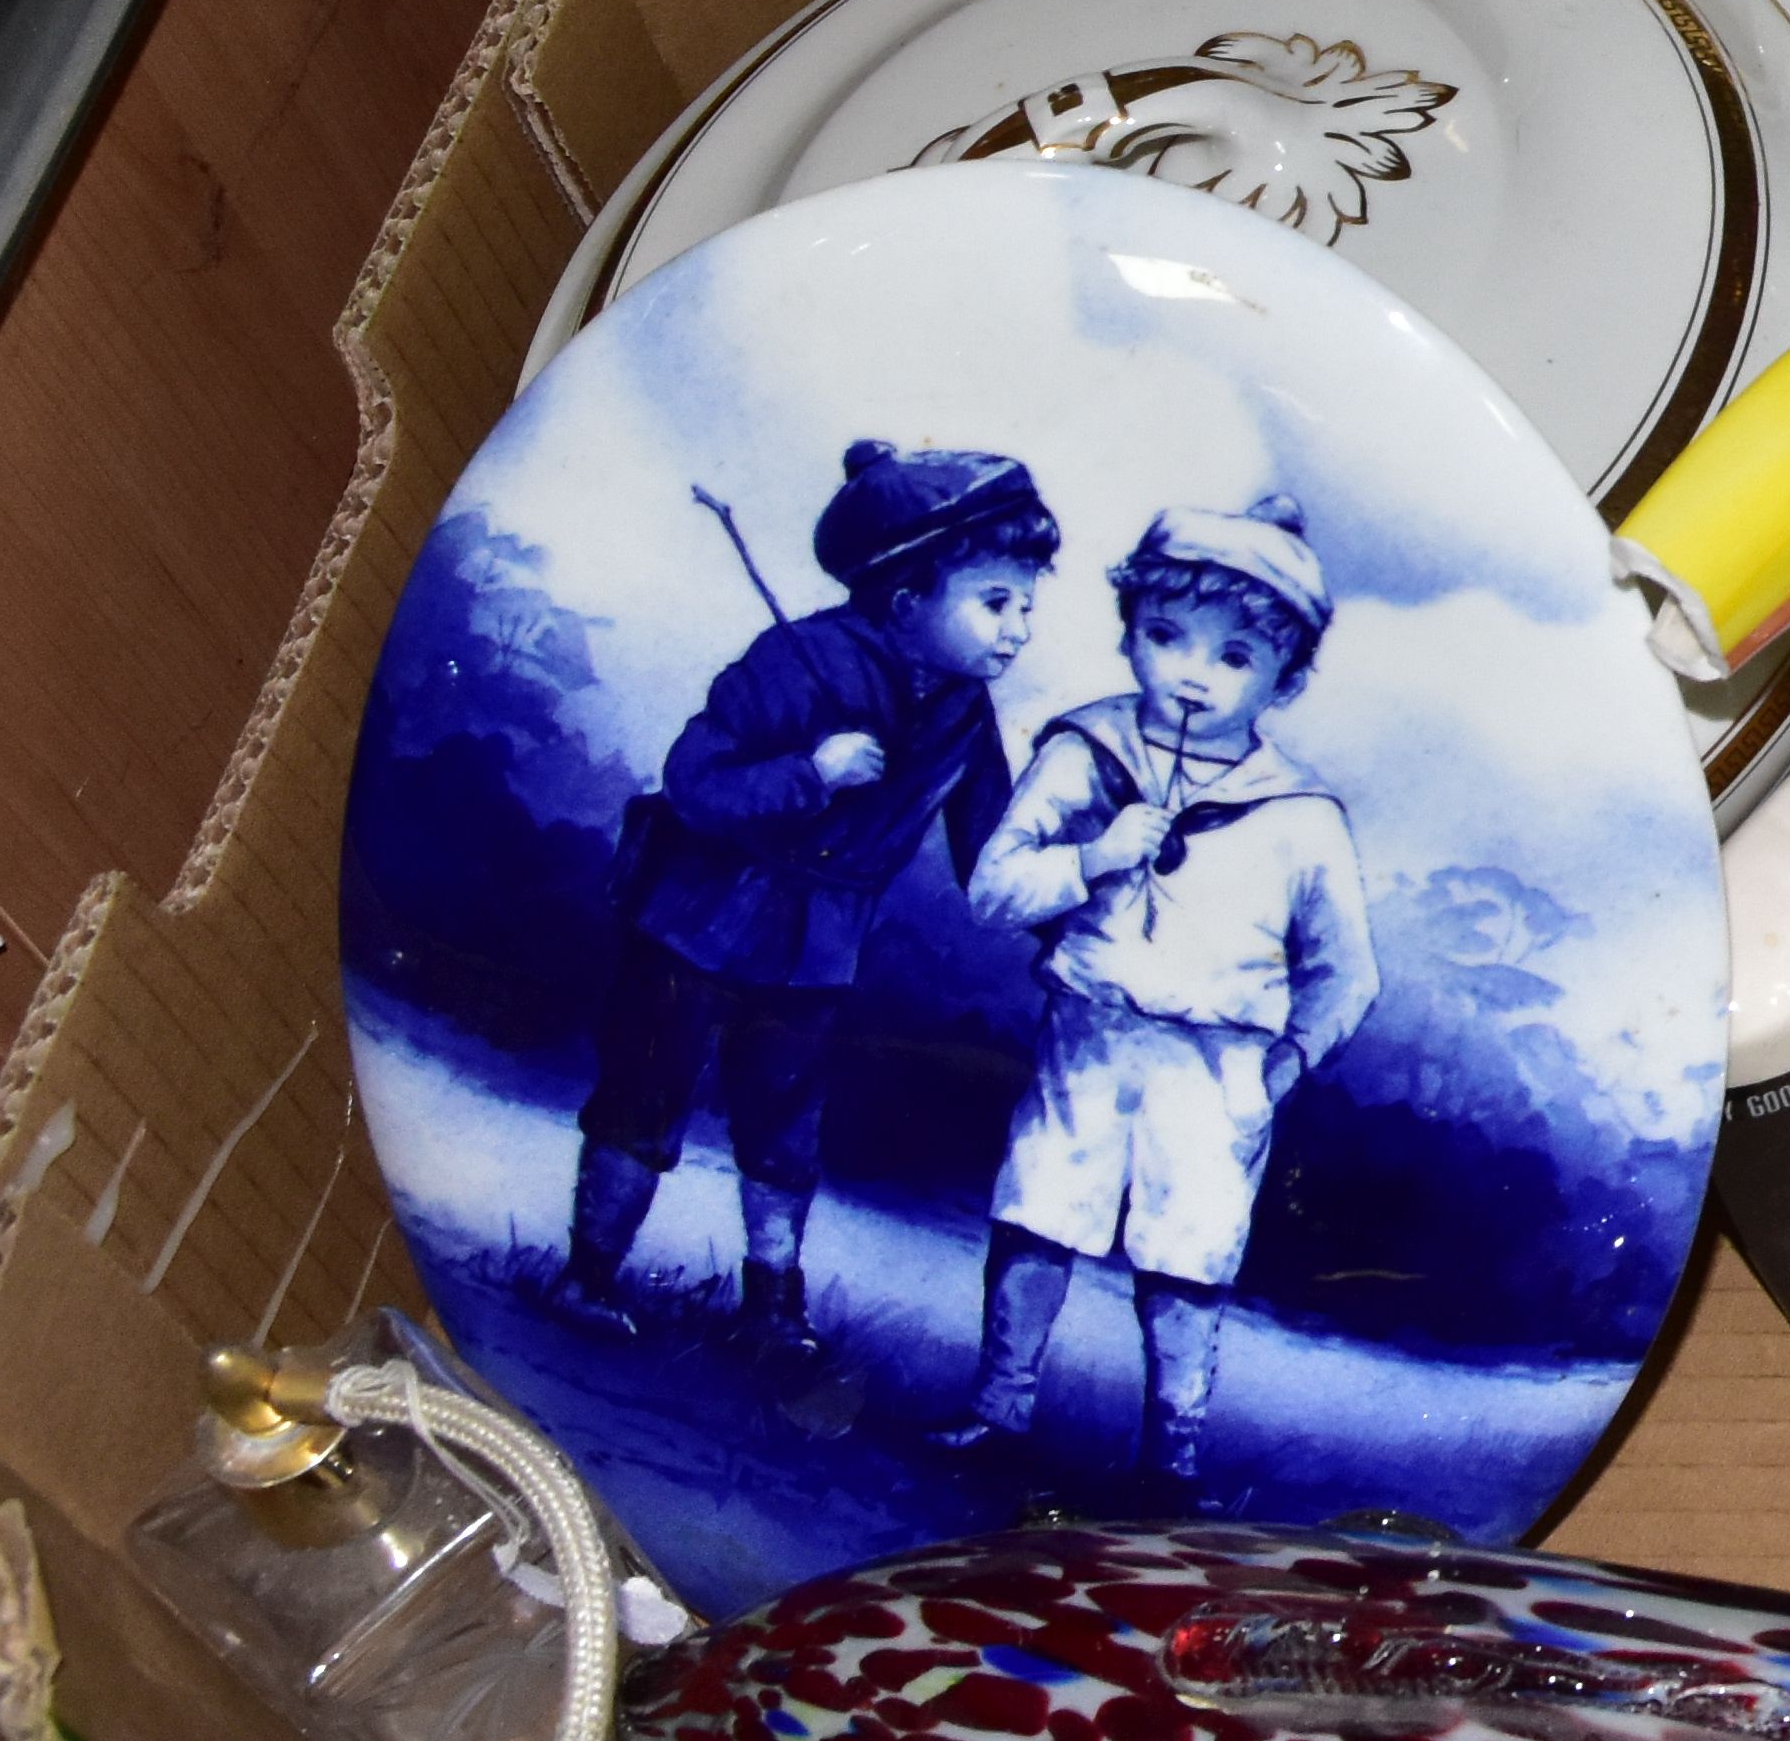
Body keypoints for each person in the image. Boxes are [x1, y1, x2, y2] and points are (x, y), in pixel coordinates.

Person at [565, 444, 1058, 1354]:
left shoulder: (963, 716)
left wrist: (1062, 934)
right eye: (996, 602)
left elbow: (991, 847)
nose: (1019, 628)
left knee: (785, 1124)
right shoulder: (794, 660)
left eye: (1026, 603)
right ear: (908, 597)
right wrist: (809, 773)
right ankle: (587, 1274)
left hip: (819, 946)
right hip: (698, 921)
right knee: (646, 1094)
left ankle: (771, 1301)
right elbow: (695, 782)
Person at [950, 499, 1380, 1490]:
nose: (1191, 671)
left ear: (1287, 677)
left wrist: (1289, 1060)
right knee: (1038, 1218)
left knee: (1186, 1260)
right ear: (1130, 630)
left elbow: (1348, 970)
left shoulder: (1300, 816)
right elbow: (992, 888)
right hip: (1090, 1034)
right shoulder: (1086, 755)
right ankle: (997, 1407)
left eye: (1233, 657)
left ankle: (1172, 1451)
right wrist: (1094, 854)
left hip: (1217, 1065)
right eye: (1166, 636)